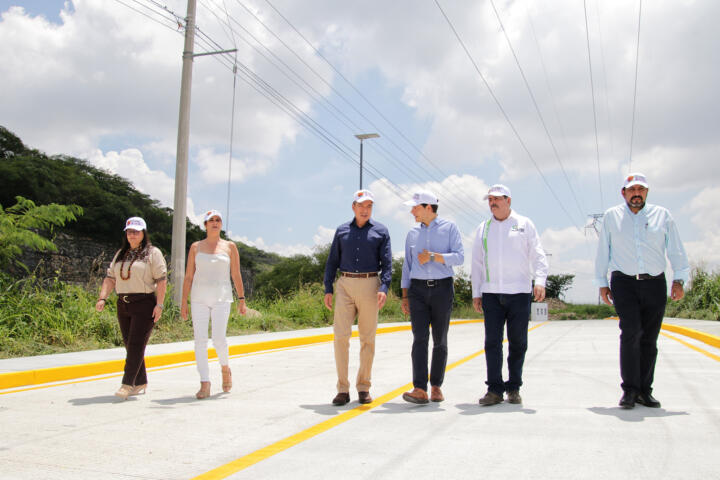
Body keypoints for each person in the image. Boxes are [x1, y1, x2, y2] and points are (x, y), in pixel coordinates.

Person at [595, 173, 689, 409]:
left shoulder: (663, 216)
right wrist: (601, 282)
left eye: (641, 190)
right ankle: (629, 390)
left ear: (646, 192)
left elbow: (675, 249)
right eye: (632, 190)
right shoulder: (611, 217)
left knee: (649, 338)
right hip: (623, 282)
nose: (636, 194)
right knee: (631, 333)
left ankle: (644, 391)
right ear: (623, 193)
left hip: (655, 283)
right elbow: (602, 251)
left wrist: (679, 279)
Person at [471, 184, 548, 406]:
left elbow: (538, 254)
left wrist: (540, 280)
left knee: (518, 343)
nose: (492, 203)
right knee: (492, 343)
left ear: (509, 201)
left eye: (497, 199)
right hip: (491, 294)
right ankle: (494, 390)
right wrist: (477, 292)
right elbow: (476, 263)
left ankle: (513, 387)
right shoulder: (483, 228)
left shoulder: (524, 225)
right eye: (490, 200)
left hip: (519, 293)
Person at [323, 189, 392, 406]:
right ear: (353, 207)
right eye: (361, 205)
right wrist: (328, 288)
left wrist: (384, 286)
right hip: (344, 284)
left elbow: (388, 263)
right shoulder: (342, 230)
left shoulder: (381, 231)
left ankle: (363, 387)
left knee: (367, 339)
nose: (365, 210)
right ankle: (342, 389)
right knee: (340, 337)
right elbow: (332, 260)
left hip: (371, 284)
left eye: (369, 206)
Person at [400, 190, 464, 404]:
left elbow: (459, 256)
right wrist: (405, 295)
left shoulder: (450, 228)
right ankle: (419, 388)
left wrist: (434, 257)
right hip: (417, 291)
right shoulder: (412, 233)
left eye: (415, 207)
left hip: (442, 289)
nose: (412, 211)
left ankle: (436, 386)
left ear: (428, 208)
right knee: (419, 339)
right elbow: (407, 266)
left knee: (440, 340)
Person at [96, 217, 167, 400]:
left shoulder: (152, 253)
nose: (132, 234)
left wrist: (159, 305)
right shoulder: (121, 253)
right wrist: (103, 297)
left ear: (144, 233)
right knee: (131, 345)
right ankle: (141, 381)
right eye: (129, 231)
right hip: (123, 303)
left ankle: (127, 384)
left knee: (136, 344)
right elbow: (111, 278)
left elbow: (161, 280)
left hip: (144, 303)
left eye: (136, 231)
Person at [181, 210, 247, 399]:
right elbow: (188, 276)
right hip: (199, 298)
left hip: (222, 298)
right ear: (205, 225)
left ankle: (225, 368)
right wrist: (184, 302)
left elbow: (236, 274)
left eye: (218, 220)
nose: (215, 223)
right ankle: (205, 382)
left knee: (219, 339)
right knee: (200, 341)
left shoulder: (230, 247)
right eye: (211, 220)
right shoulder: (195, 247)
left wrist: (241, 300)